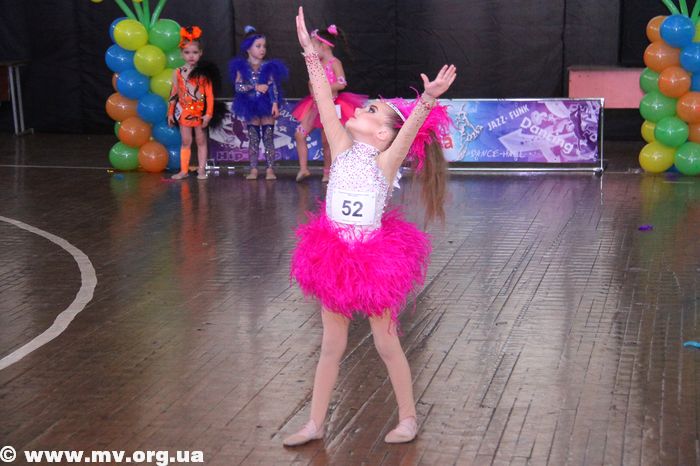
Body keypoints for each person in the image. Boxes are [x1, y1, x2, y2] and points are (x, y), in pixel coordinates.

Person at [285, 7, 457, 447]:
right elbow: (322, 98)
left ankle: (408, 417)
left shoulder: (386, 161)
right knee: (331, 345)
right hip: (334, 257)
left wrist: (427, 99)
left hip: (372, 261)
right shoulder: (341, 146)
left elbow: (409, 131)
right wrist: (310, 54)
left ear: (382, 135)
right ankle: (315, 423)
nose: (360, 107)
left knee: (385, 341)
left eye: (371, 110)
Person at [292, 24, 366, 183]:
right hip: (315, 106)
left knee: (327, 142)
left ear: (323, 46)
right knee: (299, 134)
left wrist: (323, 88)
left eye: (313, 46)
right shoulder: (316, 65)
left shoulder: (335, 63)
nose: (311, 51)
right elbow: (311, 83)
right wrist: (313, 89)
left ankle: (328, 172)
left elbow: (341, 83)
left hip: (331, 107)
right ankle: (303, 169)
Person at [229, 26, 288, 180]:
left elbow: (273, 87)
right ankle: (253, 169)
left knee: (268, 138)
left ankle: (270, 169)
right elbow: (238, 87)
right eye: (258, 46)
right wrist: (254, 86)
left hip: (267, 105)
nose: (262, 49)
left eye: (264, 46)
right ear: (248, 48)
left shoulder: (268, 66)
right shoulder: (242, 67)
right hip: (250, 105)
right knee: (253, 139)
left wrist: (275, 104)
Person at [168, 26, 219, 180]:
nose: (191, 56)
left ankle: (202, 170)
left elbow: (209, 95)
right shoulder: (178, 72)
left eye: (195, 52)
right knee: (186, 141)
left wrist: (208, 114)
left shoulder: (204, 73)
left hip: (200, 113)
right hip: (184, 112)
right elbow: (174, 93)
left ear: (200, 53)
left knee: (201, 140)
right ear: (181, 54)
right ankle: (184, 170)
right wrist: (170, 112)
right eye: (187, 52)